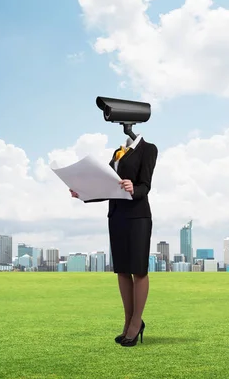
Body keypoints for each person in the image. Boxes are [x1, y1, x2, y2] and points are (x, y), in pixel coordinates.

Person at [69, 134, 158, 347]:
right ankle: (127, 322)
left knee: (139, 270)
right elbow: (107, 188)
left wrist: (133, 188)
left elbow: (145, 185)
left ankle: (137, 322)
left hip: (138, 217)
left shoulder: (148, 149)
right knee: (122, 271)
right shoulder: (116, 154)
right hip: (116, 216)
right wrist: (82, 194)